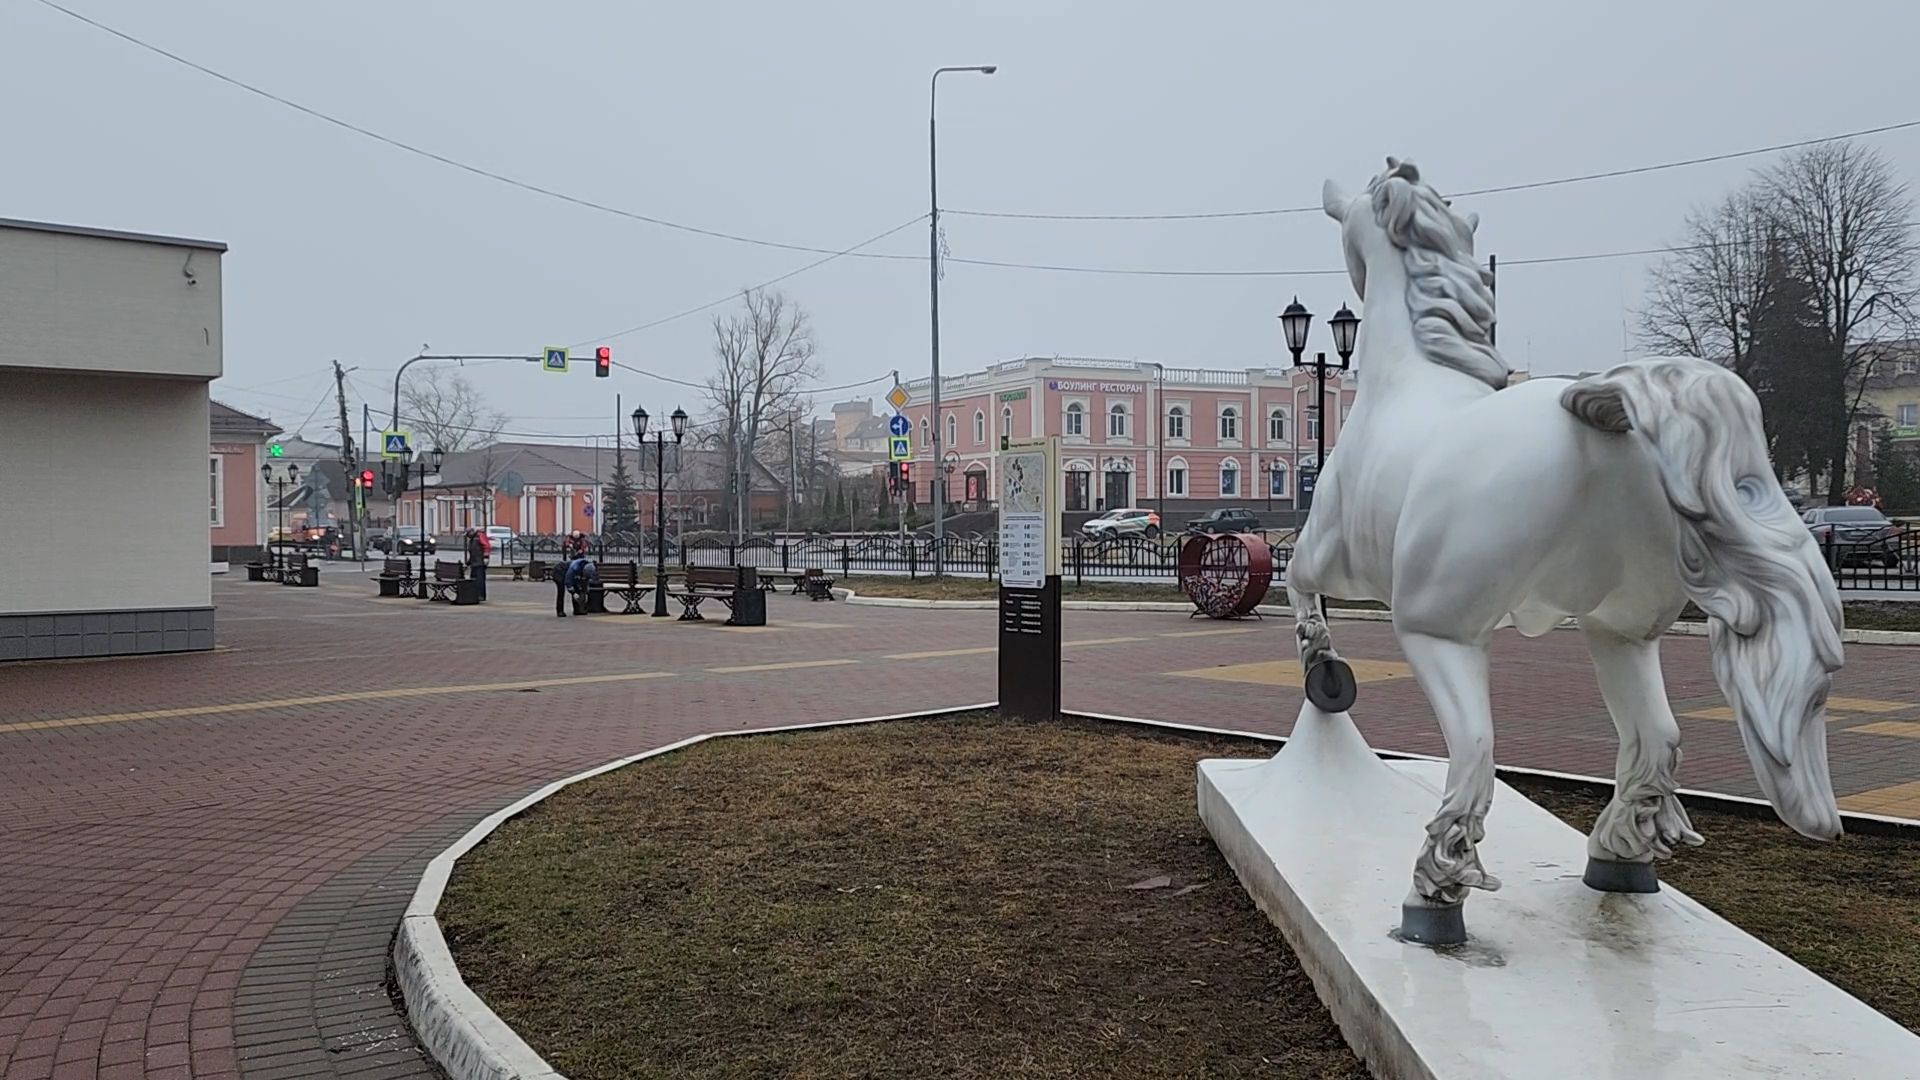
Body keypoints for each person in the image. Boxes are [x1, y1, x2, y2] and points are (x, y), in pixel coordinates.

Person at [464, 527, 489, 601]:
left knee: (480, 580)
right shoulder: (472, 540)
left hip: (480, 562)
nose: (468, 536)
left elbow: (486, 546)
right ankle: (475, 594)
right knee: (473, 579)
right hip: (474, 563)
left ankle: (481, 595)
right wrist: (468, 562)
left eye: (468, 534)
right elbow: (472, 552)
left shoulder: (479, 536)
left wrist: (486, 557)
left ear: (471, 532)